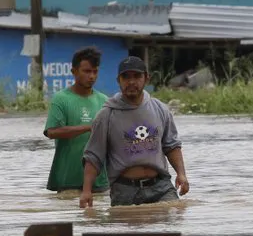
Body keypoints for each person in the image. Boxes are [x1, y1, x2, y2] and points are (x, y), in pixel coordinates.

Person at [80, 56, 189, 208]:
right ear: (118, 80)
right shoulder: (106, 115)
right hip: (125, 190)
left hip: (161, 187)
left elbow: (171, 146)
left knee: (174, 221)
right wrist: (86, 191)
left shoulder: (160, 109)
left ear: (146, 79)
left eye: (137, 76)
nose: (131, 82)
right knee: (127, 230)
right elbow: (93, 157)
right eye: (126, 77)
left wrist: (181, 174)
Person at [43, 47, 109, 193]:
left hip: (100, 181)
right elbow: (52, 132)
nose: (91, 76)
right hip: (68, 180)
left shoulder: (104, 101)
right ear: (74, 71)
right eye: (87, 71)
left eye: (95, 71)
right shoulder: (61, 99)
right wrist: (89, 127)